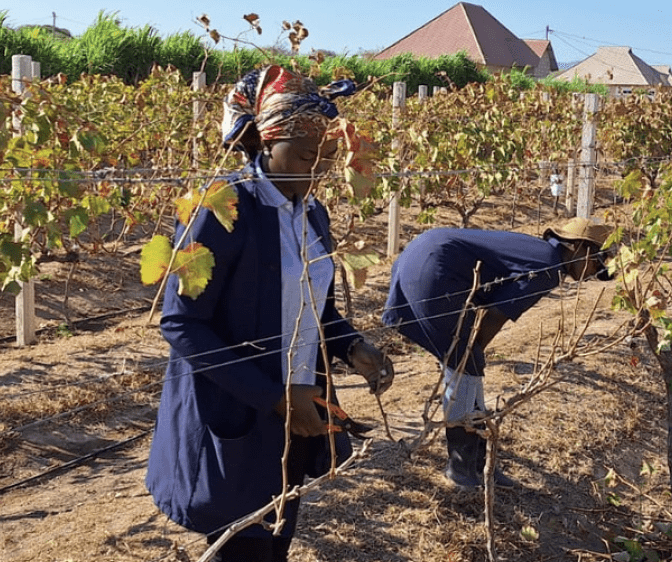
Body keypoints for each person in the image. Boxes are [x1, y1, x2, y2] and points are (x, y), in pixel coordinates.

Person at [145, 65, 394, 562]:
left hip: (297, 413)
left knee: (275, 533)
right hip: (241, 407)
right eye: (305, 156)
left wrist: (351, 346)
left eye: (326, 157)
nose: (317, 170)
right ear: (264, 141)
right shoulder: (222, 210)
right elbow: (181, 324)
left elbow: (312, 307)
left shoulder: (312, 211)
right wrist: (275, 398)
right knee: (243, 541)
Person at [382, 218, 613, 488]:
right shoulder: (549, 266)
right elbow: (495, 315)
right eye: (597, 261)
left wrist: (470, 356)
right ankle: (461, 469)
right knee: (466, 364)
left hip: (423, 253)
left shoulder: (541, 253)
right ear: (579, 248)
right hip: (435, 267)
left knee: (465, 365)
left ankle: (481, 465)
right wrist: (472, 354)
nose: (595, 271)